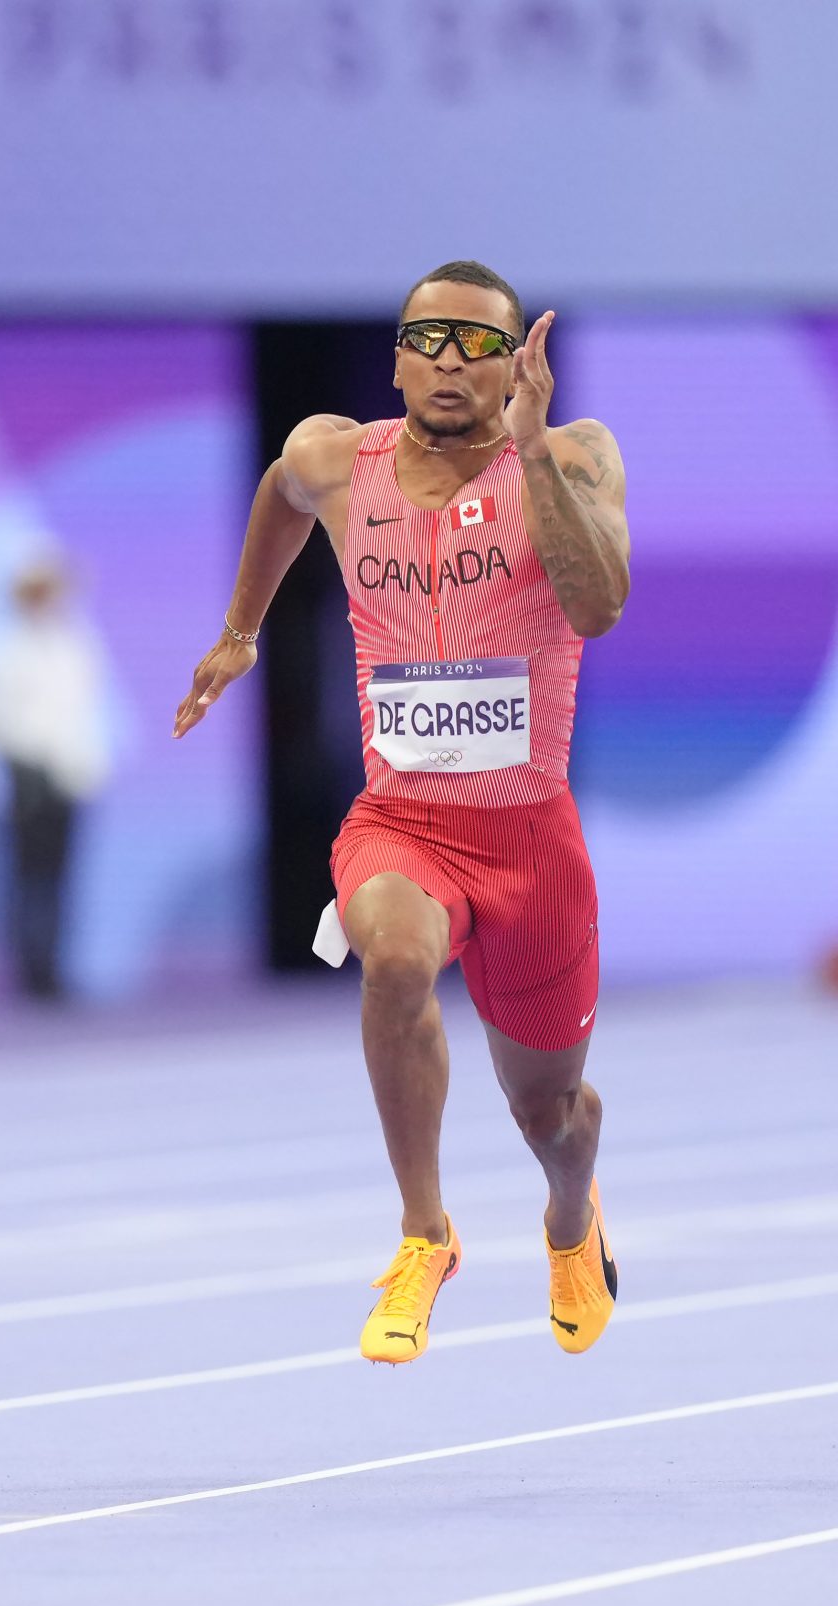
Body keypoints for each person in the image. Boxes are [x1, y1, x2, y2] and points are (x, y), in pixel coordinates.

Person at [174, 261, 629, 1365]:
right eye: (428, 338)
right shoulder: (337, 456)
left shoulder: (573, 456)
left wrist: (526, 447)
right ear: (394, 355)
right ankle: (424, 1232)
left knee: (549, 1116)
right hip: (403, 822)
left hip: (529, 843)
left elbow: (599, 604)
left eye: (481, 345)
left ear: (518, 363)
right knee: (390, 956)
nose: (448, 362)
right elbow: (279, 490)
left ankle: (572, 1208)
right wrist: (241, 628)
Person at [0, 555, 112, 1002]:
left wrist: (86, 767)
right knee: (28, 874)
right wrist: (27, 765)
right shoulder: (8, 648)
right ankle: (30, 969)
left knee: (59, 875)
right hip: (28, 776)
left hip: (69, 777)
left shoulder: (75, 644)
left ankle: (54, 965)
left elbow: (83, 715)